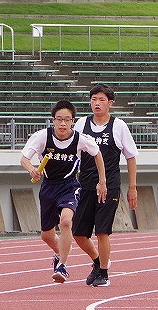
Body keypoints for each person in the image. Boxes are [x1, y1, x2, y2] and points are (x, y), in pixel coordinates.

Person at [21, 100, 106, 283]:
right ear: (53, 120)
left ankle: (62, 266)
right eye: (59, 119)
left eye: (67, 120)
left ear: (72, 121)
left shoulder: (79, 139)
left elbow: (97, 153)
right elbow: (24, 158)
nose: (63, 124)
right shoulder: (42, 136)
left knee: (66, 222)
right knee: (46, 235)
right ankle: (63, 256)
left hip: (69, 186)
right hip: (48, 187)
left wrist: (102, 180)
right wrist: (31, 169)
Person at [71, 83, 139, 288]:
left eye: (101, 100)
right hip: (85, 185)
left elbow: (131, 156)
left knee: (102, 231)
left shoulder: (119, 126)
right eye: (93, 100)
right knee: (79, 233)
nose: (97, 103)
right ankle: (97, 261)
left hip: (110, 186)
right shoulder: (81, 124)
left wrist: (132, 187)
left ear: (110, 103)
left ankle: (104, 273)